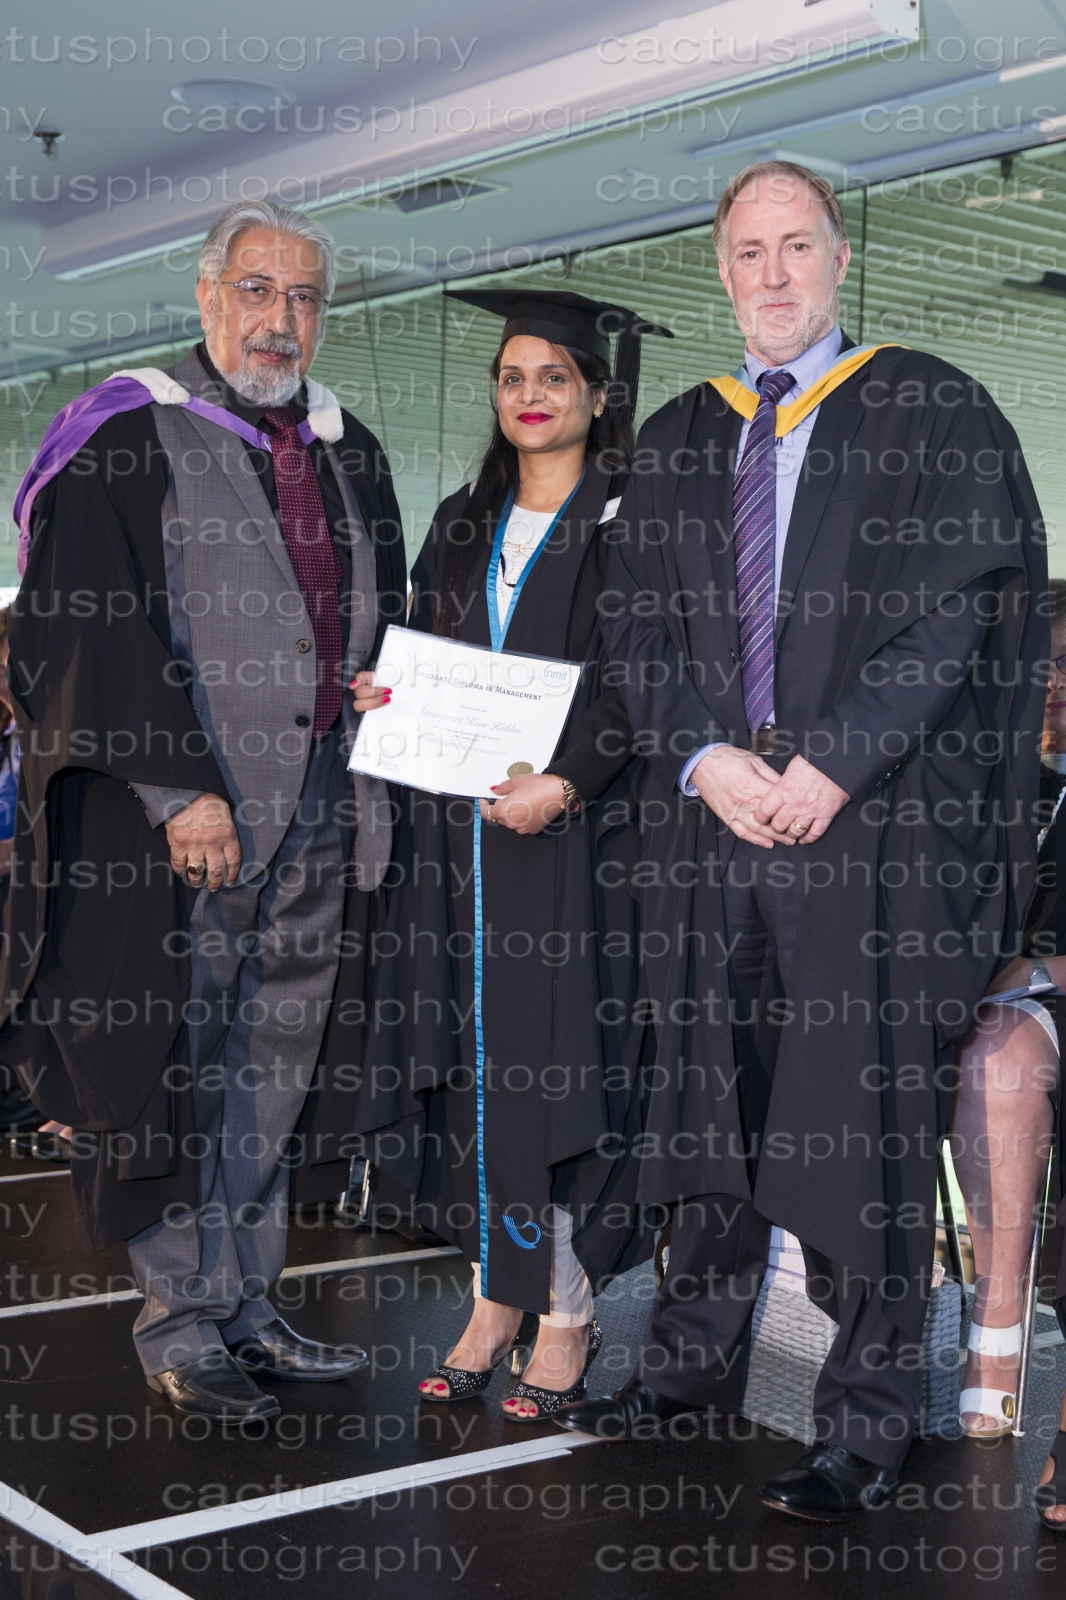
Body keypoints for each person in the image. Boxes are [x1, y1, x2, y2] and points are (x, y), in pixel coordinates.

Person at [554, 159, 1047, 1520]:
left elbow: (956, 617)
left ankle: (865, 1419)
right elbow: (632, 630)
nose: (771, 274)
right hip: (713, 823)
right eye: (747, 251)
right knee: (703, 1094)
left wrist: (832, 762)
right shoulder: (675, 436)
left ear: (839, 257)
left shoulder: (927, 411)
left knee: (858, 1117)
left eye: (796, 247)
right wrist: (705, 758)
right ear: (720, 271)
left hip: (863, 832)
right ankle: (684, 1362)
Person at [1, 199, 407, 1421]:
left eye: (303, 297)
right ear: (206, 295)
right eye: (256, 290)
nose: (280, 319)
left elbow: (377, 618)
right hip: (185, 829)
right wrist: (180, 791)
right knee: (179, 1069)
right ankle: (180, 1319)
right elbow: (86, 629)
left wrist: (380, 683)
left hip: (326, 801)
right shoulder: (125, 434)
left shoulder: (349, 448)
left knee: (274, 1069)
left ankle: (245, 1302)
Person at [343, 290, 667, 1420]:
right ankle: (495, 1297)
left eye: (553, 377)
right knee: (476, 1078)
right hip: (461, 854)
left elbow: (647, 680)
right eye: (511, 377)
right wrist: (386, 692)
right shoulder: (461, 519)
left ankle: (563, 1313)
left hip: (576, 846)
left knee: (554, 1077)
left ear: (597, 395)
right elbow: (430, 657)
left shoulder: (633, 521)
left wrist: (568, 780)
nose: (529, 396)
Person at [946, 576, 1066, 1527]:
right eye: (1044, 667)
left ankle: (999, 1323)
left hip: (1047, 987)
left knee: (1001, 1051)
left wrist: (1036, 966)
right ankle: (990, 1302)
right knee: (989, 1054)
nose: (1055, 687)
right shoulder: (986, 775)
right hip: (988, 995)